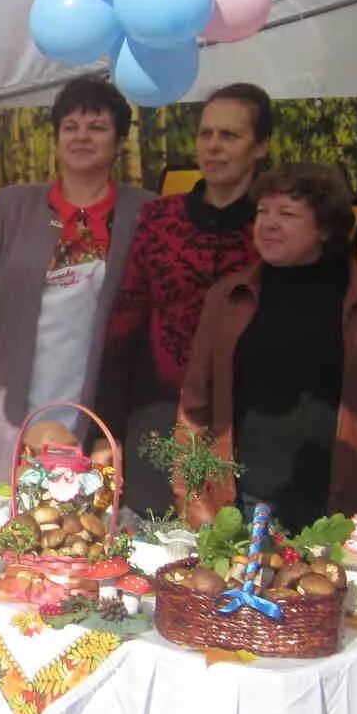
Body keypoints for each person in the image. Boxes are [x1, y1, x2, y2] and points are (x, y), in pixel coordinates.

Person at [0, 76, 151, 493]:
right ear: (56, 137)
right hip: (12, 386)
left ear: (119, 140)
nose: (82, 137)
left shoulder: (144, 212)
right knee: (4, 504)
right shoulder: (13, 205)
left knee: (81, 505)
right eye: (70, 127)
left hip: (97, 391)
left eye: (97, 127)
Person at [176, 163, 357, 533]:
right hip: (242, 503)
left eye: (287, 214)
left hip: (337, 510)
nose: (268, 224)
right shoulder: (229, 296)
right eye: (262, 212)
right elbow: (195, 403)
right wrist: (194, 500)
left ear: (325, 228)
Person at [97, 83, 270, 512]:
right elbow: (124, 327)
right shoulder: (159, 219)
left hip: (247, 421)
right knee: (153, 548)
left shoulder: (273, 226)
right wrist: (106, 429)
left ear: (261, 146)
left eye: (229, 136)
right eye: (206, 134)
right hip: (158, 413)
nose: (213, 146)